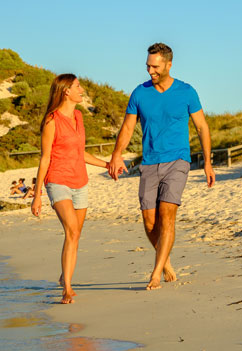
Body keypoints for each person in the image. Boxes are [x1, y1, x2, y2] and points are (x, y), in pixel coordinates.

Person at [108, 42, 215, 290]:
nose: (150, 71)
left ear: (168, 64)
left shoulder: (187, 92)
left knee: (167, 215)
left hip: (178, 160)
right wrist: (116, 154)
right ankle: (164, 258)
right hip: (149, 162)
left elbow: (202, 127)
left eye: (155, 66)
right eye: (148, 66)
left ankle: (156, 273)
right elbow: (127, 127)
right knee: (149, 221)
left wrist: (208, 163)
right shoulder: (140, 93)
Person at [32, 75, 111, 303]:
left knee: (76, 235)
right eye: (78, 86)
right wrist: (36, 196)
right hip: (57, 180)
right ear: (66, 91)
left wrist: (107, 165)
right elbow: (45, 159)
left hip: (80, 182)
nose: (82, 89)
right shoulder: (51, 120)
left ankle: (63, 275)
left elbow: (80, 153)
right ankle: (67, 288)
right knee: (72, 231)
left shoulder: (78, 116)